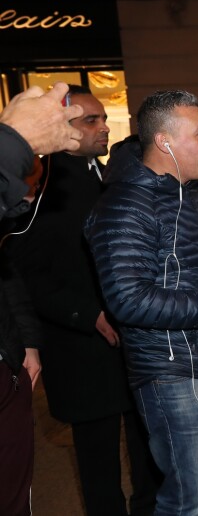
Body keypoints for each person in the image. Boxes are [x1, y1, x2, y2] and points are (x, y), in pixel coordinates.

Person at [84, 89, 198, 515]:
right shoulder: (125, 205)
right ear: (164, 141)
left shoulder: (195, 196)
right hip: (172, 376)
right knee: (188, 495)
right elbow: (128, 301)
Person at [12, 85, 161, 516]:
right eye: (90, 120)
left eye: (103, 118)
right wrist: (88, 313)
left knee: (148, 449)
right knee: (99, 467)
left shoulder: (112, 173)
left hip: (132, 345)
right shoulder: (40, 187)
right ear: (62, 127)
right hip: (80, 349)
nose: (104, 126)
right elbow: (23, 274)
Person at [0, 82, 82, 516]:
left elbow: (5, 272)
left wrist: (25, 341)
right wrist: (15, 141)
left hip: (7, 363)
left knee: (16, 495)